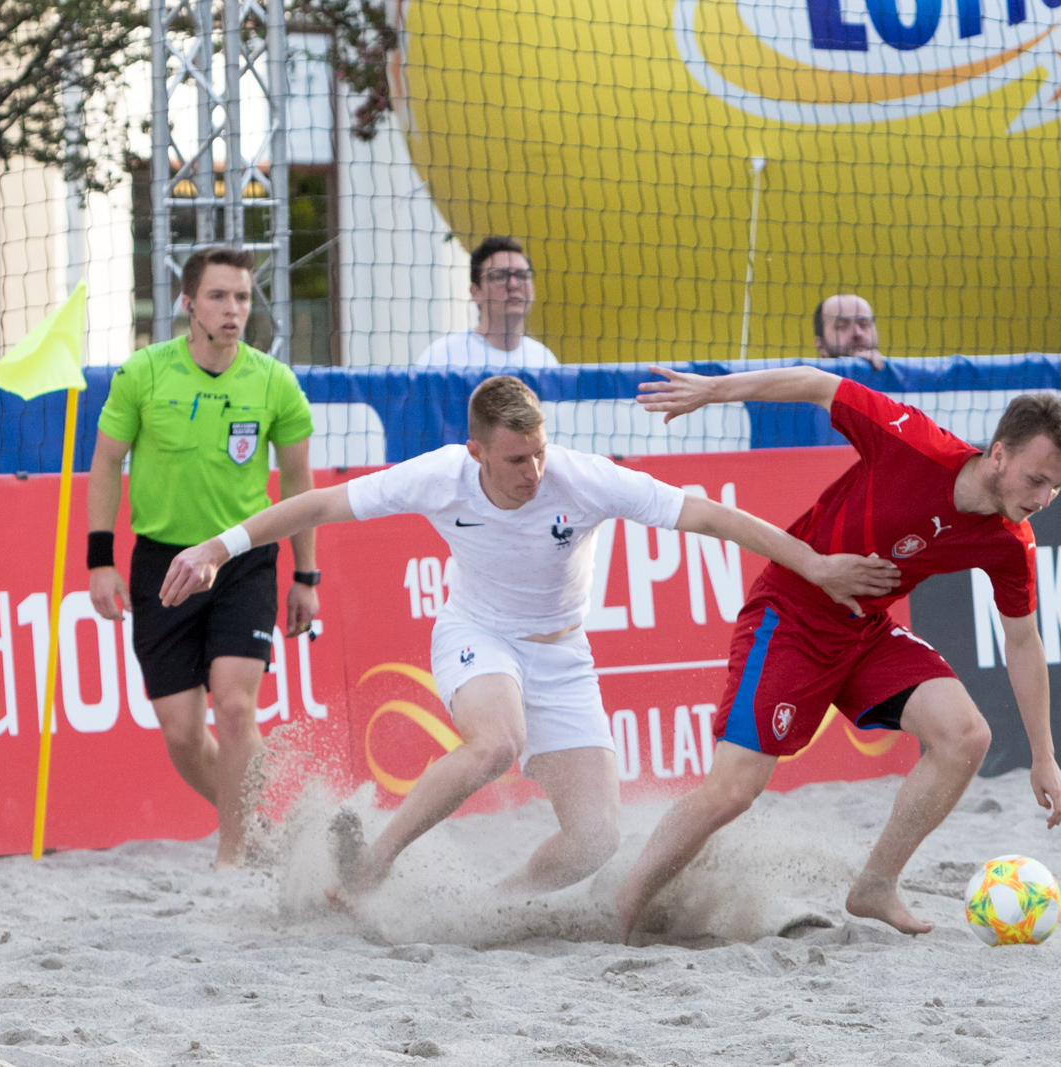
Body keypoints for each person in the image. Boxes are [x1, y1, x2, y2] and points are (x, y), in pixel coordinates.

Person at [158, 375, 901, 901]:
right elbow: (318, 501)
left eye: (539, 451)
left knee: (593, 841)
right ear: (477, 451)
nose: (533, 470)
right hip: (476, 634)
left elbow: (714, 518)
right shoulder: (441, 476)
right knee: (495, 743)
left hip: (564, 655)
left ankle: (494, 902)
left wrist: (815, 564)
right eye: (516, 458)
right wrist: (218, 548)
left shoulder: (581, 478)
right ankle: (373, 861)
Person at [617, 365, 1061, 940]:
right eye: (1037, 479)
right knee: (733, 792)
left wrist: (1045, 755)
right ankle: (623, 906)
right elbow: (818, 383)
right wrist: (713, 391)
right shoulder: (911, 441)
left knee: (966, 737)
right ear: (997, 455)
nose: (1043, 498)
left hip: (864, 630)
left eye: (1057, 488)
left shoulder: (1011, 542)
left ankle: (875, 886)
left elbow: (1022, 640)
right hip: (790, 614)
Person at [87, 246, 318, 869]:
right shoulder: (144, 373)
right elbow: (107, 461)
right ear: (189, 304)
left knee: (236, 706)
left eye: (242, 297)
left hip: (243, 558)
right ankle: (261, 827)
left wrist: (306, 576)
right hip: (164, 563)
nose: (233, 309)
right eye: (219, 296)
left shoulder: (274, 382)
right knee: (185, 735)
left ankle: (233, 855)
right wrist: (99, 559)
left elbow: (299, 487)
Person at [415, 236, 560, 368]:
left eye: (523, 275)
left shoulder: (544, 360)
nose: (514, 284)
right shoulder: (442, 357)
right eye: (500, 276)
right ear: (476, 292)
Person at [814, 294, 885, 370]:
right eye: (842, 326)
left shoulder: (896, 378)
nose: (857, 333)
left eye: (864, 324)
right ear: (821, 345)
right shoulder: (808, 380)